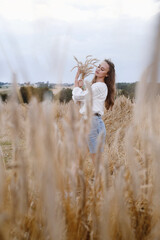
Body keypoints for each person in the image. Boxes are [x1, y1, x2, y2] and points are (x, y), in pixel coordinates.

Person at [72, 59, 116, 164]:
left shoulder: (100, 86)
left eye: (102, 69)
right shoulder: (94, 86)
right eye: (98, 66)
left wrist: (76, 81)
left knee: (95, 159)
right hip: (87, 121)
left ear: (107, 75)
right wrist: (81, 88)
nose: (98, 69)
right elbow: (79, 101)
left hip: (92, 123)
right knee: (80, 154)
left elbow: (79, 96)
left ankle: (100, 179)